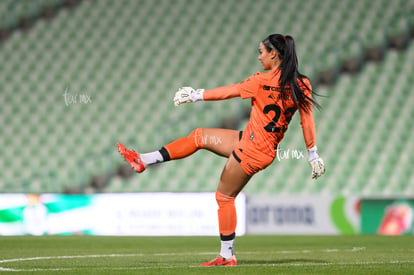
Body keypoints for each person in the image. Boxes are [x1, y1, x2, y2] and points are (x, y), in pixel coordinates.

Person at [117, 33, 325, 266]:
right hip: (256, 143)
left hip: (252, 149)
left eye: (261, 52)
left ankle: (227, 255)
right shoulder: (302, 84)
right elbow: (307, 121)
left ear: (273, 54)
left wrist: (196, 95)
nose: (259, 57)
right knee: (199, 136)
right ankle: (144, 159)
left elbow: (230, 91)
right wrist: (312, 154)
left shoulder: (261, 81)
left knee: (224, 197)